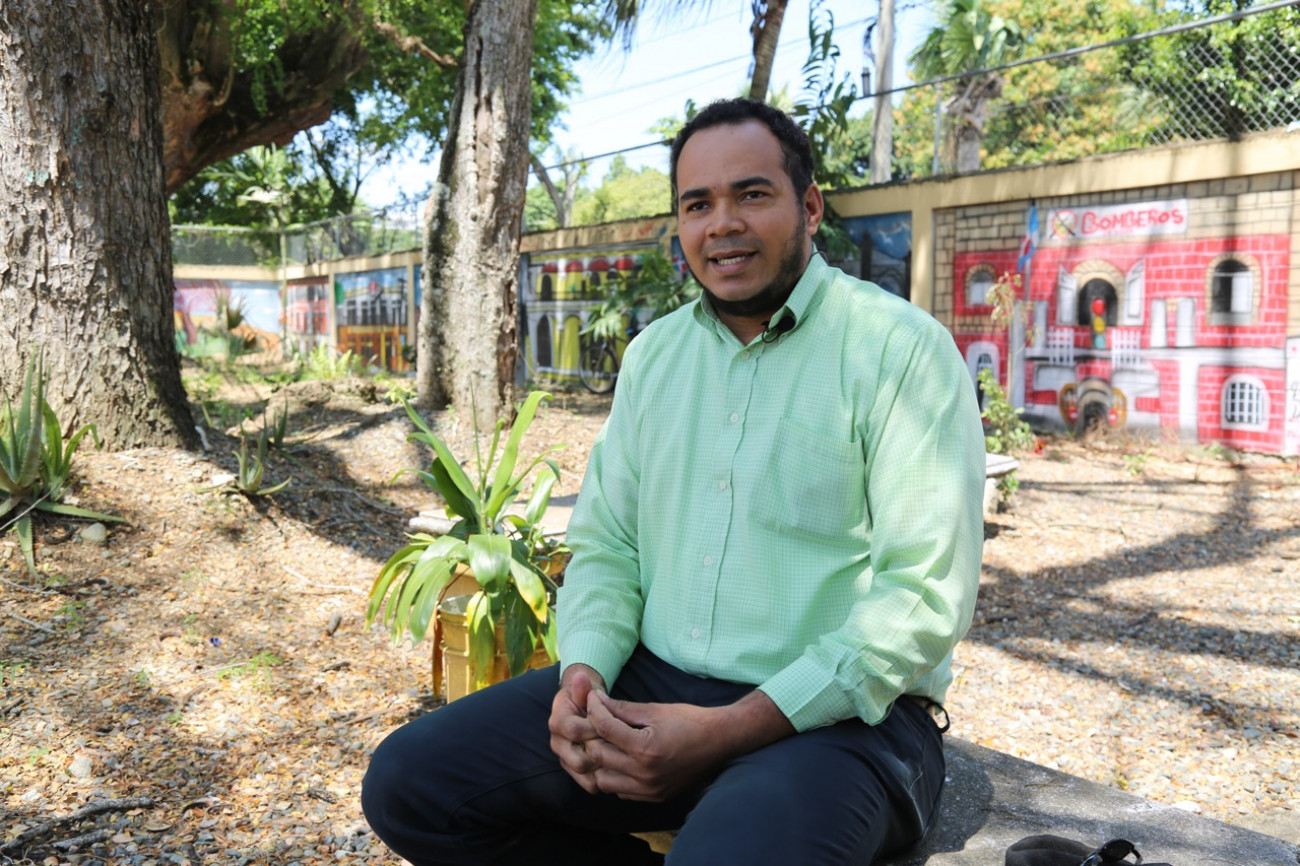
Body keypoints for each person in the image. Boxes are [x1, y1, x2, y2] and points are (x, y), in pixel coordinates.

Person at [362, 98, 986, 866]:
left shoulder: (901, 352)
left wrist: (727, 730)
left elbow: (920, 598)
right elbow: (608, 544)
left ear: (810, 207)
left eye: (751, 194)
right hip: (653, 687)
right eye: (698, 204)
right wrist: (583, 677)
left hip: (845, 721)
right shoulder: (655, 358)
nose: (722, 223)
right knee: (411, 784)